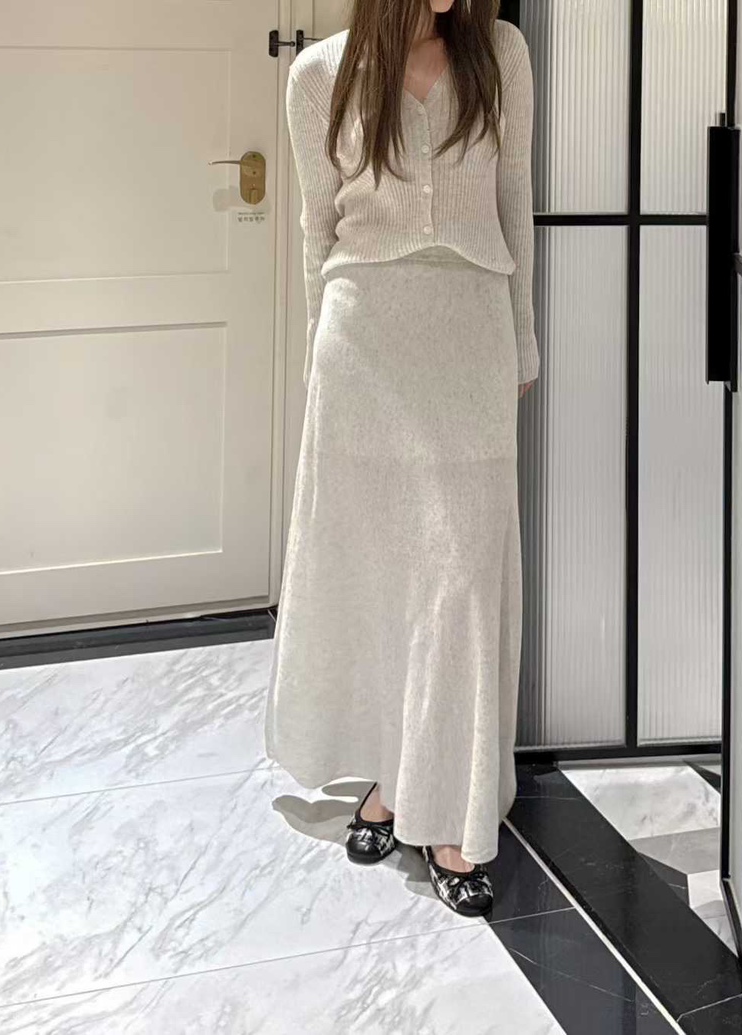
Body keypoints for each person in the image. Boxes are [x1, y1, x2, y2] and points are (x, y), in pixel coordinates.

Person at [265, 0, 539, 918]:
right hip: (365, 347)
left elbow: (514, 200)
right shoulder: (319, 76)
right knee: (383, 578)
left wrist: (524, 338)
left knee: (460, 581)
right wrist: (320, 359)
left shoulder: (500, 53)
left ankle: (454, 813)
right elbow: (317, 231)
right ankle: (393, 777)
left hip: (469, 335)